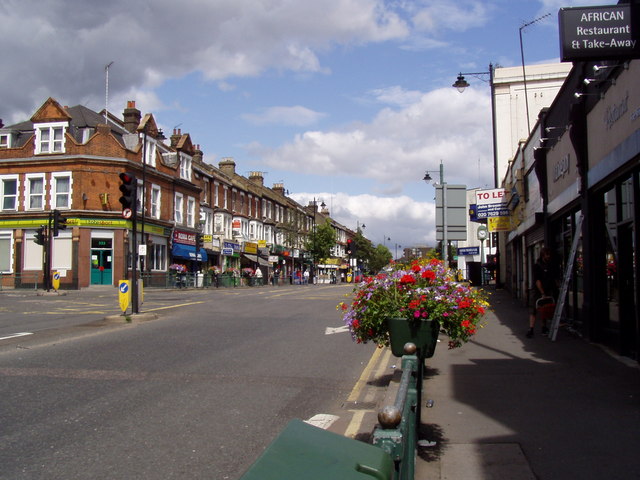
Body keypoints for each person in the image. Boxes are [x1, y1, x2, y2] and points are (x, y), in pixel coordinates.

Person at [527, 247, 560, 338]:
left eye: (549, 255)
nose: (549, 256)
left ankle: (544, 328)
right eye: (547, 255)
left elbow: (553, 278)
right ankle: (531, 329)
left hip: (547, 290)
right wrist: (542, 293)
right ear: (543, 255)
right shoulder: (537, 266)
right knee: (533, 310)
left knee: (545, 310)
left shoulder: (550, 265)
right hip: (537, 291)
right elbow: (537, 281)